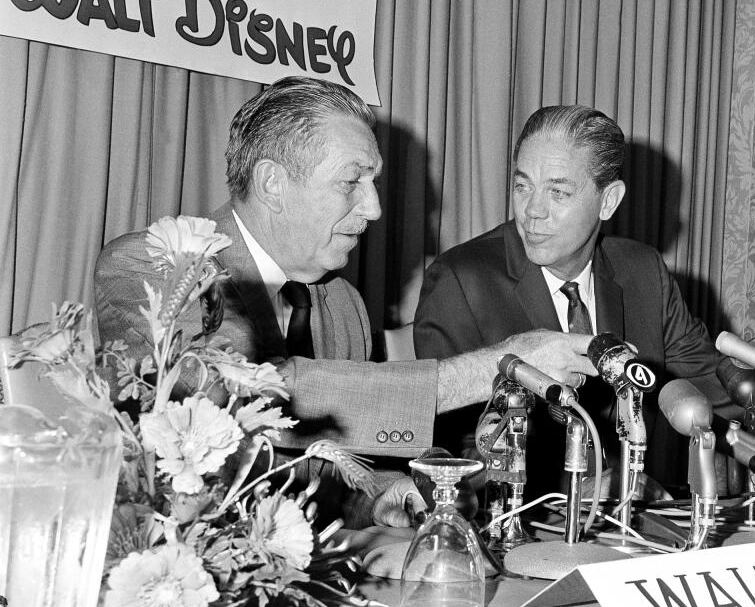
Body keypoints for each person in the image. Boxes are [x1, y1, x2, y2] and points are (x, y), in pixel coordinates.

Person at [93, 77, 595, 533]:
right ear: (272, 184)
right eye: (350, 181)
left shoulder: (343, 305)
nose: (374, 207)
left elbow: (332, 466)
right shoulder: (156, 266)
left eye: (372, 182)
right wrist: (497, 366)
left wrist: (379, 494)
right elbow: (238, 394)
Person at [414, 104, 729, 489]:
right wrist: (576, 489)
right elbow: (444, 456)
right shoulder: (461, 280)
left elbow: (715, 390)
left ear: (608, 201)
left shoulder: (644, 271)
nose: (533, 210)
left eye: (558, 192)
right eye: (522, 186)